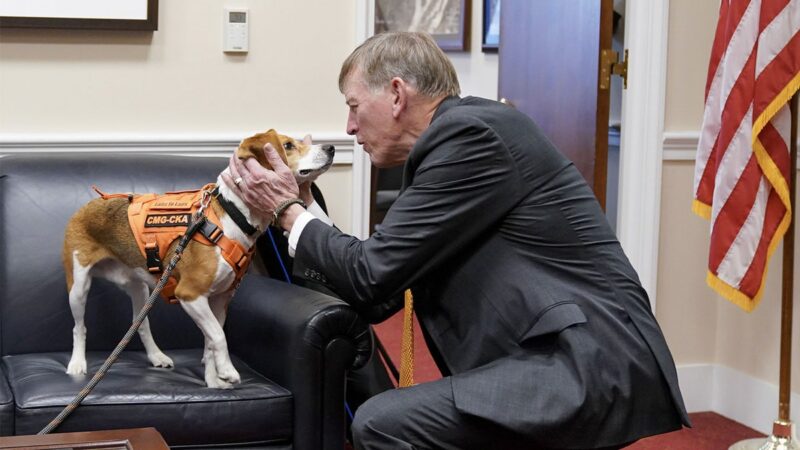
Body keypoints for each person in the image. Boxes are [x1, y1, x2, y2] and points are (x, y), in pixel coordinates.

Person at [224, 31, 690, 450]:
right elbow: (378, 293)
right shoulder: (448, 148)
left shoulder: (471, 136)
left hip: (586, 364)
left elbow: (370, 273)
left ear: (396, 94)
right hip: (551, 359)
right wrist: (301, 209)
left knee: (383, 424)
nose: (349, 127)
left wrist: (289, 211)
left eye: (353, 105)